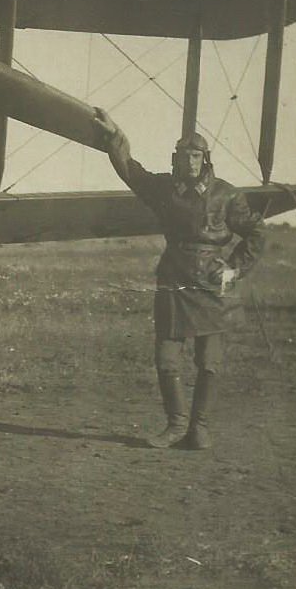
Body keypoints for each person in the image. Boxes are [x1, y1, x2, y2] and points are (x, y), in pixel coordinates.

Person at [92, 108, 265, 450]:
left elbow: (256, 232)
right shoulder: (163, 189)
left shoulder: (227, 195)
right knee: (166, 358)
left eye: (196, 155)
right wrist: (115, 137)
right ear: (175, 159)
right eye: (183, 156)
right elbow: (131, 171)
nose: (189, 162)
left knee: (210, 360)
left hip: (215, 285)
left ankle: (199, 429)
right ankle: (176, 425)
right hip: (174, 278)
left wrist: (232, 269)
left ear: (206, 159)